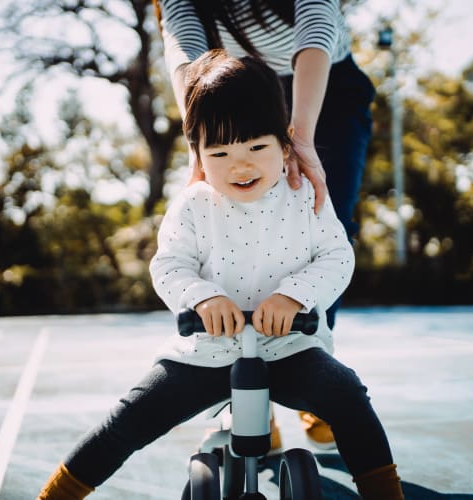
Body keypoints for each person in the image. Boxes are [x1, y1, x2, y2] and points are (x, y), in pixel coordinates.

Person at [37, 50, 403, 500]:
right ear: (198, 155)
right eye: (220, 151)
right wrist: (202, 299)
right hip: (205, 351)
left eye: (256, 147)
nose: (240, 164)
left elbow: (336, 257)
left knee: (348, 394)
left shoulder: (303, 194)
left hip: (289, 346)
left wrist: (294, 297)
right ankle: (56, 495)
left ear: (285, 145)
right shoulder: (193, 205)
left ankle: (387, 493)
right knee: (128, 419)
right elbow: (168, 265)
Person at [152, 0, 376, 449]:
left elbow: (316, 22)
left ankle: (307, 358)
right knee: (228, 219)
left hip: (323, 86)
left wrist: (302, 138)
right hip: (232, 94)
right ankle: (247, 387)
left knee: (323, 216)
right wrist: (200, 143)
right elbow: (186, 46)